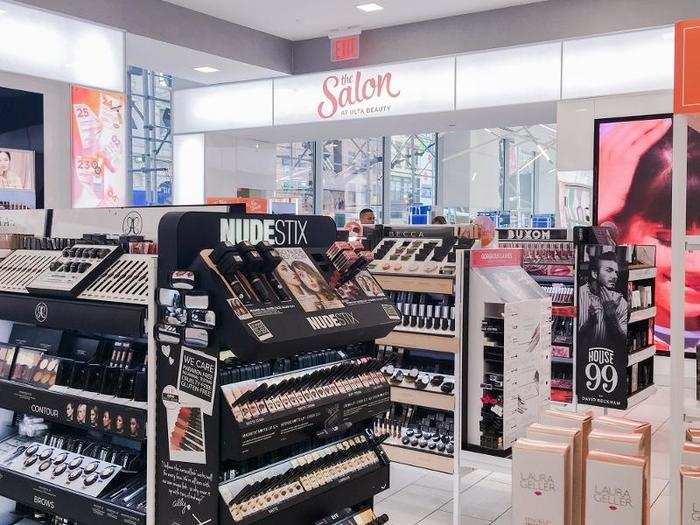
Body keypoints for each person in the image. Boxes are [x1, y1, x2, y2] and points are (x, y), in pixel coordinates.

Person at [598, 119, 700, 350]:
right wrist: (603, 207)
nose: (697, 264)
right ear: (620, 234)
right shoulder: (614, 332)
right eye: (669, 240)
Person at [578, 251, 629, 348]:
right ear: (595, 274)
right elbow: (574, 339)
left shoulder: (621, 301)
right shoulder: (579, 294)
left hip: (610, 358)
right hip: (583, 356)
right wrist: (591, 321)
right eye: (609, 270)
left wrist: (612, 316)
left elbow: (623, 343)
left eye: (616, 272)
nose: (615, 276)